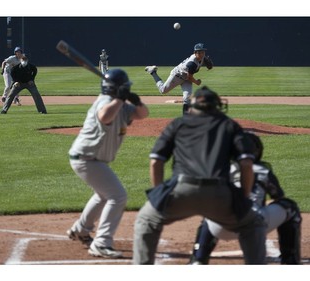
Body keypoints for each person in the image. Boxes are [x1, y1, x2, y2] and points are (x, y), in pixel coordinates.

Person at [133, 86, 267, 265]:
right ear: (217, 106)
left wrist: (159, 194)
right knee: (253, 224)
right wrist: (243, 197)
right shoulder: (229, 125)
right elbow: (246, 163)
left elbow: (156, 161)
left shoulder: (178, 123)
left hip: (181, 192)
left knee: (146, 220)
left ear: (194, 105)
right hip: (220, 194)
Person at [67, 68, 149, 258]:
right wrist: (120, 99)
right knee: (118, 196)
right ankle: (101, 243)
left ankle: (81, 229)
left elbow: (143, 114)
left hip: (92, 160)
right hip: (86, 159)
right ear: (118, 89)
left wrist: (136, 101)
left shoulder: (120, 105)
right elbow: (104, 116)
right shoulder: (104, 102)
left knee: (103, 195)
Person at [189, 132, 302, 265]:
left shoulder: (221, 170)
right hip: (253, 226)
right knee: (290, 207)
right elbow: (278, 197)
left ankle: (199, 258)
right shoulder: (263, 171)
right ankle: (290, 262)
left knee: (211, 209)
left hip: (218, 227)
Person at [145, 43, 213, 114]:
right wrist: (196, 82)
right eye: (200, 52)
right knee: (163, 90)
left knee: (187, 97)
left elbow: (206, 62)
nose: (202, 54)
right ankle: (153, 72)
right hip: (177, 76)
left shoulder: (202, 58)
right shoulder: (192, 63)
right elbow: (189, 77)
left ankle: (186, 119)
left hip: (186, 78)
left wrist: (209, 65)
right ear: (195, 53)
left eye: (203, 52)